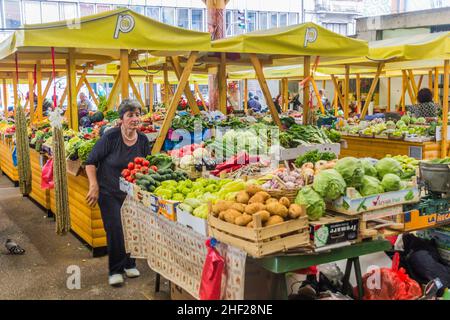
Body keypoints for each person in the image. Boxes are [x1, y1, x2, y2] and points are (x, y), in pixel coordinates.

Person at [85, 99, 151, 287]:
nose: (135, 118)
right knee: (115, 228)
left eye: (137, 114)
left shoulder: (144, 140)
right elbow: (90, 162)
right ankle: (115, 269)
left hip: (130, 194)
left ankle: (130, 263)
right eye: (130, 115)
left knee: (131, 227)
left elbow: (145, 167)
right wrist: (94, 186)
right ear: (122, 119)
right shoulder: (111, 137)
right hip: (108, 191)